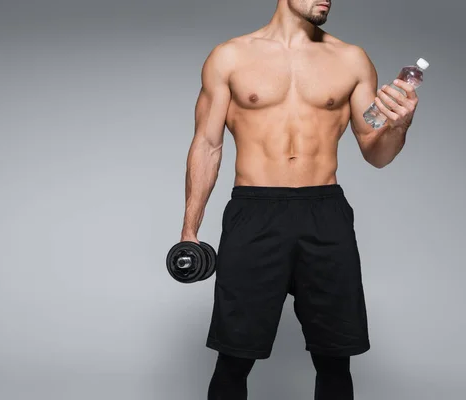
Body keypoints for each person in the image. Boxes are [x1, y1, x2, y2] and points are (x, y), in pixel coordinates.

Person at [179, 1, 420, 399]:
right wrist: (190, 230)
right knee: (234, 356)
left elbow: (376, 153)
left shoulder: (351, 60)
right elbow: (206, 146)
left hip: (325, 213)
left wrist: (400, 126)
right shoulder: (230, 56)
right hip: (254, 212)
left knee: (334, 357)